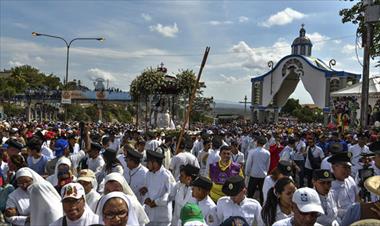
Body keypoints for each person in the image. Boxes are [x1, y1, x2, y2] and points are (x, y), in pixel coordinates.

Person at [140, 147, 175, 226]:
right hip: (150, 215)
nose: (146, 165)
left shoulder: (166, 175)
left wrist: (156, 202)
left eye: (148, 163)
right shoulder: (148, 174)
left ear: (155, 163)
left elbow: (171, 193)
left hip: (162, 217)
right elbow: (147, 189)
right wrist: (146, 198)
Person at [328, 152, 360, 219]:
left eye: (349, 167)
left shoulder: (350, 179)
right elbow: (332, 211)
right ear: (334, 168)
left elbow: (357, 197)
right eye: (345, 167)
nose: (348, 170)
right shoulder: (329, 185)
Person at [245, 136, 270, 204]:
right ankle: (262, 206)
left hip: (253, 175)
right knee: (262, 192)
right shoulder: (267, 153)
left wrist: (247, 173)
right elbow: (267, 165)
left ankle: (248, 204)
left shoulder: (252, 152)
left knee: (250, 192)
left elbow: (248, 163)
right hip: (263, 175)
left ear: (257, 143)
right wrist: (266, 172)